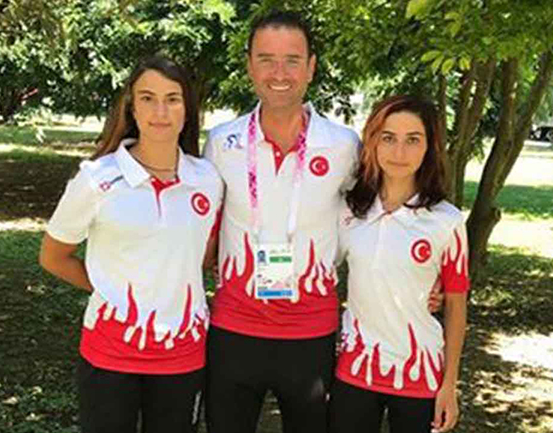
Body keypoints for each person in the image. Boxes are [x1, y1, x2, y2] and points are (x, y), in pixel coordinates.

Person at [39, 56, 223, 433]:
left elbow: (204, 256)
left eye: (172, 99)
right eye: (147, 98)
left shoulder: (208, 180)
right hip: (110, 352)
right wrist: (112, 289)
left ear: (187, 108)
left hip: (182, 353)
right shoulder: (97, 179)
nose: (160, 112)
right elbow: (54, 257)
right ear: (131, 107)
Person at [202, 10, 360, 433]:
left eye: (292, 60)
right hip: (234, 327)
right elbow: (201, 223)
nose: (279, 73)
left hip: (311, 330)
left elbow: (372, 218)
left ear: (311, 67)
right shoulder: (221, 142)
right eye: (266, 59)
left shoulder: (344, 146)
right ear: (250, 65)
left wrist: (419, 280)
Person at [329, 95, 469, 433]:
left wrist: (449, 385)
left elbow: (456, 305)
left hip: (420, 374)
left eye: (413, 140)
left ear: (429, 148)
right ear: (373, 142)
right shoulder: (348, 210)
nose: (399, 152)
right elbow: (319, 270)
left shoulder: (446, 221)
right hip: (355, 369)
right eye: (388, 138)